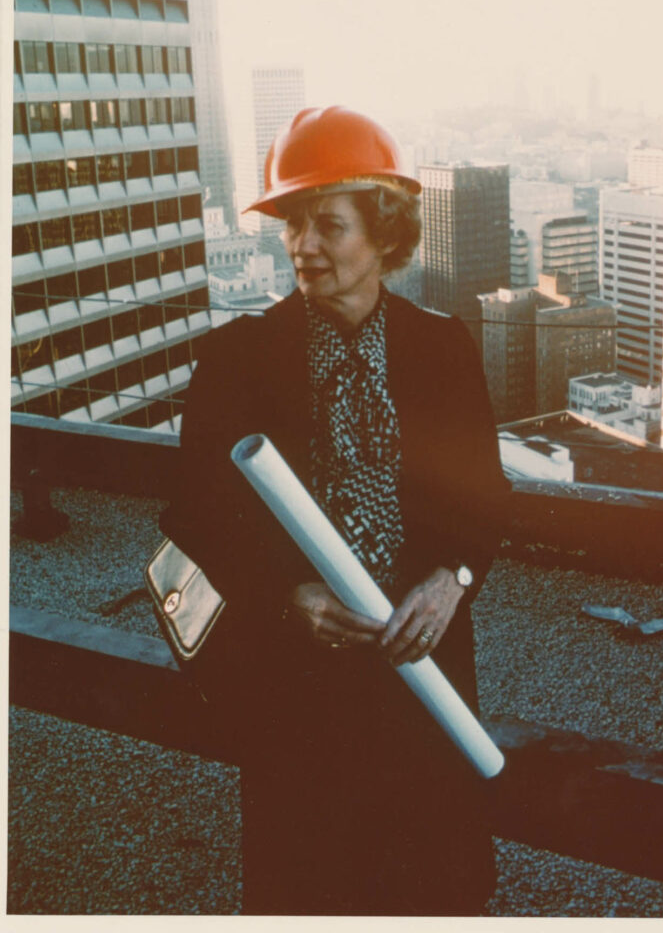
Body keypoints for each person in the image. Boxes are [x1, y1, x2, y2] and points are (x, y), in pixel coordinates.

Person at [160, 106, 510, 916]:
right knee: (308, 885)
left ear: (385, 237)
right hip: (299, 692)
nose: (301, 246)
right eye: (292, 224)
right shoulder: (236, 360)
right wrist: (286, 600)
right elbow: (195, 516)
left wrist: (452, 580)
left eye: (328, 225)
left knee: (433, 887)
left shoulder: (442, 347)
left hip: (419, 680)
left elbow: (483, 499)